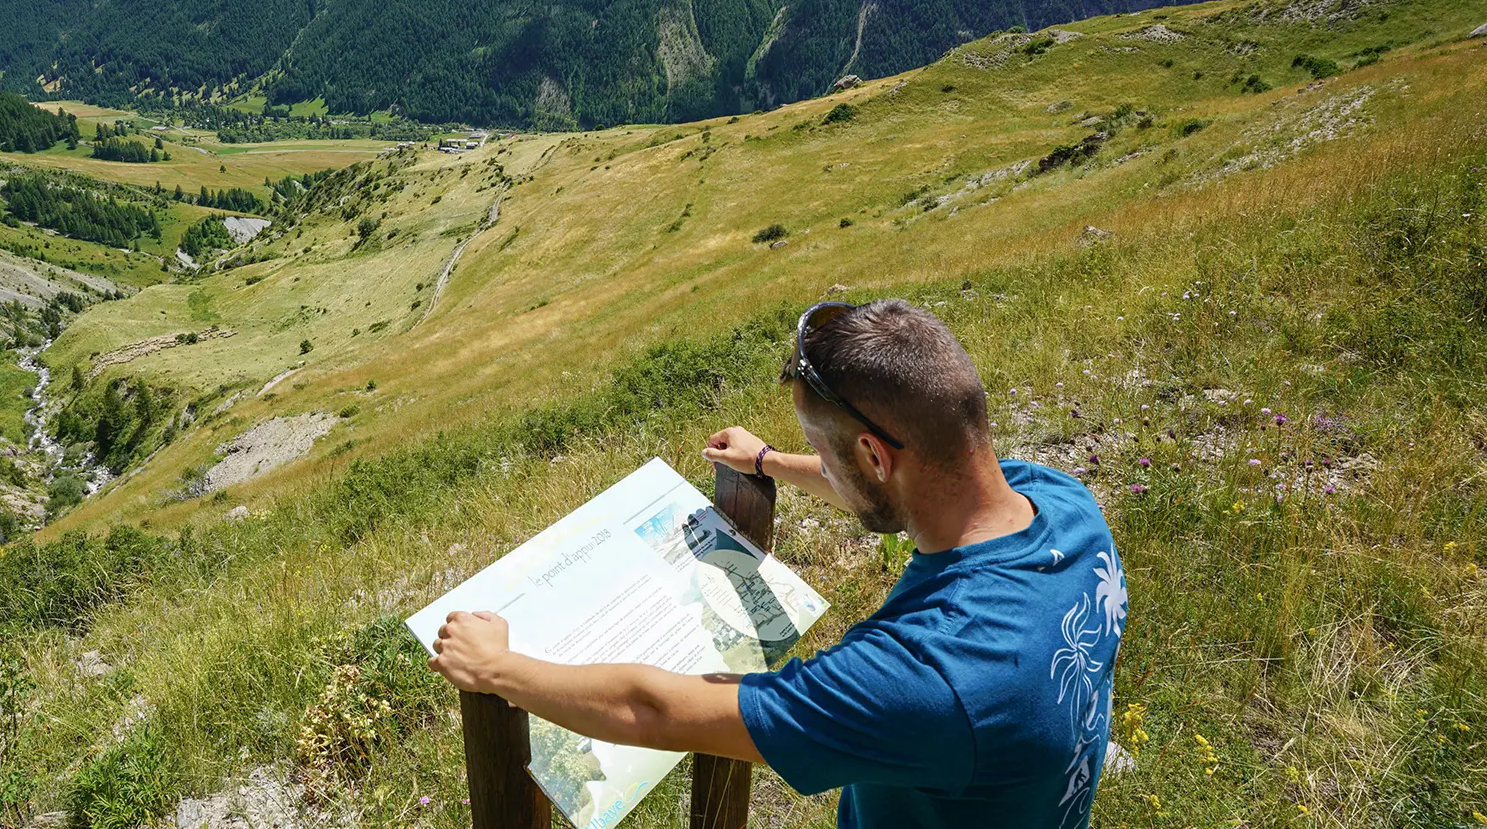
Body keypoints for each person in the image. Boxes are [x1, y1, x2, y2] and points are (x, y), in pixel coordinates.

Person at [428, 299, 1127, 828]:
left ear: (874, 456)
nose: (821, 464)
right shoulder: (1063, 504)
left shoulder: (926, 678)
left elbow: (655, 711)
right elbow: (904, 486)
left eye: (825, 452)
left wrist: (497, 668)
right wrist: (765, 461)